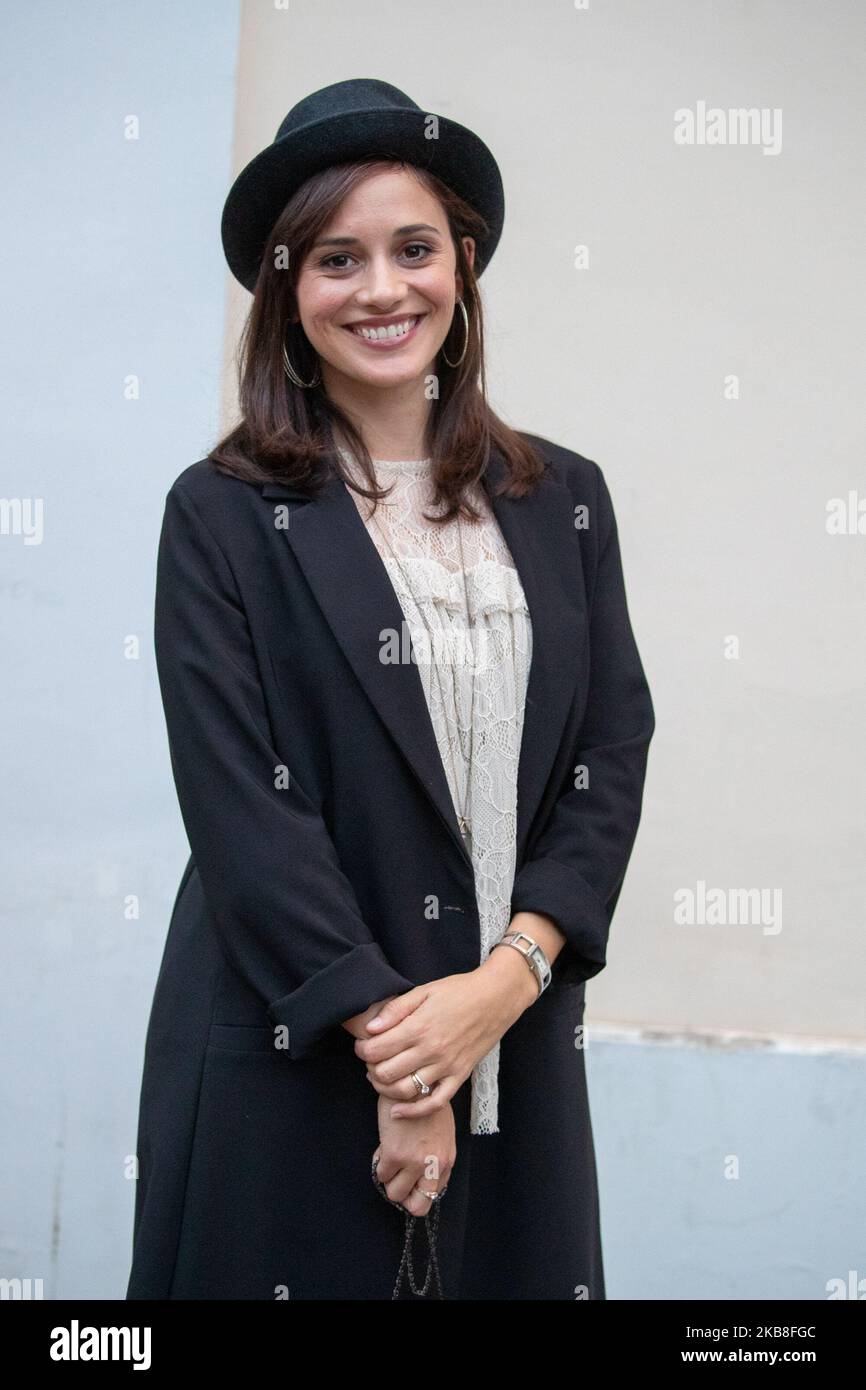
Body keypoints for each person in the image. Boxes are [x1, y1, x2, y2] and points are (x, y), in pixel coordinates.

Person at [125, 78, 655, 1301]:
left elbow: (609, 753)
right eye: (333, 258)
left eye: (413, 249)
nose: (379, 290)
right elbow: (241, 809)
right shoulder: (220, 514)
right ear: (284, 289)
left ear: (462, 266)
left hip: (512, 1032)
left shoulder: (560, 497)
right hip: (293, 1032)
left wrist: (506, 981)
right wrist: (409, 1060)